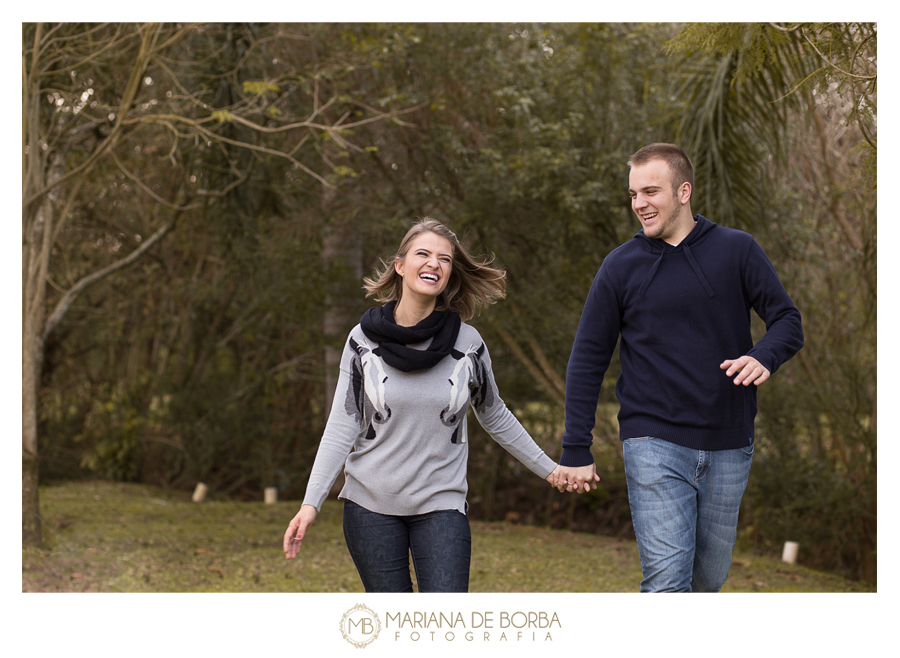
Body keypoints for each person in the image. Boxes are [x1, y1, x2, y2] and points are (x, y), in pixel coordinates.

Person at [556, 143, 803, 592]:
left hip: (730, 442)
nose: (639, 204)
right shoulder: (620, 267)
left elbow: (787, 321)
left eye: (650, 191)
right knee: (669, 582)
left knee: (706, 582)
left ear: (684, 191)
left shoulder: (737, 250)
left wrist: (763, 355)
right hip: (653, 439)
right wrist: (576, 446)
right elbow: (589, 357)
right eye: (633, 194)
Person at [283, 218, 560, 592]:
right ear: (400, 265)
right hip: (370, 506)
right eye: (423, 254)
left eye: (444, 259)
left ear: (449, 273)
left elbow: (494, 414)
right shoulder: (362, 341)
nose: (434, 264)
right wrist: (310, 503)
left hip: (441, 505)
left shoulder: (468, 344)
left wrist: (550, 470)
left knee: (443, 627)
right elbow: (342, 424)